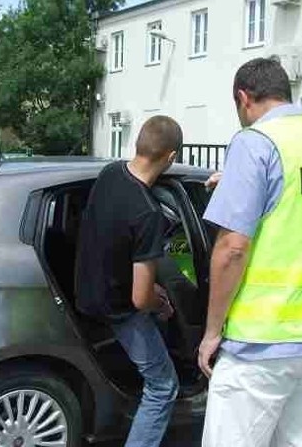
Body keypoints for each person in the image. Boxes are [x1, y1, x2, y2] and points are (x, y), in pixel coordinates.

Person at [198, 58, 302, 447]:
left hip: (263, 339)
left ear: (243, 98)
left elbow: (232, 249)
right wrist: (240, 183)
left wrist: (211, 332)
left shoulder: (256, 142)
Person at [75, 115, 184, 447]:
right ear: (171, 157)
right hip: (118, 309)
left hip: (85, 292)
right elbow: (140, 300)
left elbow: (112, 243)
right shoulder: (148, 213)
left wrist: (152, 291)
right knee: (164, 387)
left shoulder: (110, 174)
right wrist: (160, 302)